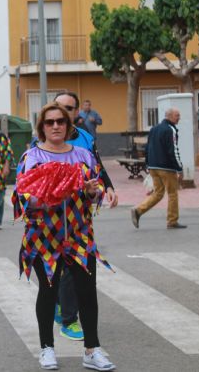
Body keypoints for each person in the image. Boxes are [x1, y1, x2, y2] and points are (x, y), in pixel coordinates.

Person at [13, 102, 115, 371]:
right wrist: (44, 198)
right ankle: (47, 348)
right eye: (50, 122)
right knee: (48, 293)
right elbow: (21, 196)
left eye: (60, 121)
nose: (56, 126)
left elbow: (96, 193)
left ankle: (91, 350)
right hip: (43, 237)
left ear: (69, 126)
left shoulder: (83, 155)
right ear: (42, 127)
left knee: (87, 293)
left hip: (80, 235)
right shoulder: (32, 157)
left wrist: (93, 191)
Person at [52, 92, 119, 341]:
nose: (62, 112)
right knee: (57, 263)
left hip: (80, 213)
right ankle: (61, 305)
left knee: (74, 263)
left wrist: (109, 187)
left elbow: (97, 167)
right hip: (52, 215)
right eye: (58, 107)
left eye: (68, 108)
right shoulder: (43, 139)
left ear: (77, 112)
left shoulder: (86, 138)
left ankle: (69, 319)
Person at [131, 108, 186, 230]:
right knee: (172, 193)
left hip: (153, 167)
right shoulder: (170, 129)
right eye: (177, 115)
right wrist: (179, 168)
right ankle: (172, 221)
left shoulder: (154, 129)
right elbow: (174, 150)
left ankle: (138, 210)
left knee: (158, 193)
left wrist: (148, 164)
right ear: (169, 116)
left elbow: (147, 147)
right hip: (166, 167)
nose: (179, 118)